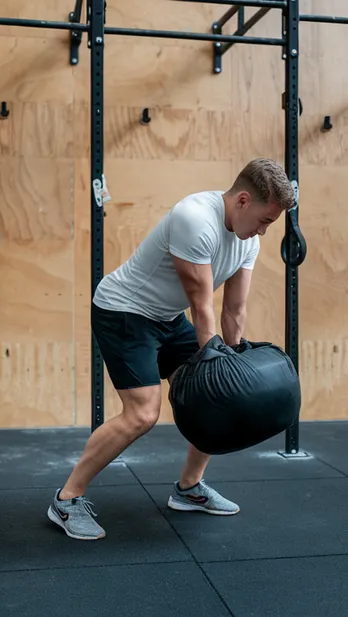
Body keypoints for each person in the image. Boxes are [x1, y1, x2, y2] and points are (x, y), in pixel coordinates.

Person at [48, 158, 295, 541]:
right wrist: (219, 371)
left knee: (217, 402)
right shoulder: (195, 218)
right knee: (143, 414)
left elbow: (234, 309)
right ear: (243, 200)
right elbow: (202, 307)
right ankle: (66, 499)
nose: (265, 229)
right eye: (265, 219)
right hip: (124, 310)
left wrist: (233, 372)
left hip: (166, 315)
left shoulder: (250, 241)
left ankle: (189, 489)